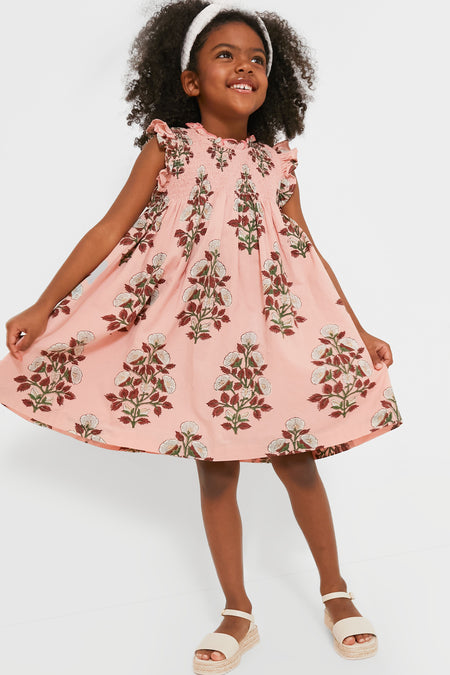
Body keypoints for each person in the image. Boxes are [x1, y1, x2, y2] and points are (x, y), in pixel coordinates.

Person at [0, 0, 403, 672]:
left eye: (257, 59)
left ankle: (336, 590)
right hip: (199, 331)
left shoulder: (276, 164)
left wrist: (357, 329)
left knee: (298, 457)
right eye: (226, 55)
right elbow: (110, 230)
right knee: (215, 468)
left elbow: (307, 250)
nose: (245, 66)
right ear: (190, 80)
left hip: (272, 332)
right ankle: (237, 609)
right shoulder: (171, 145)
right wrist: (45, 304)